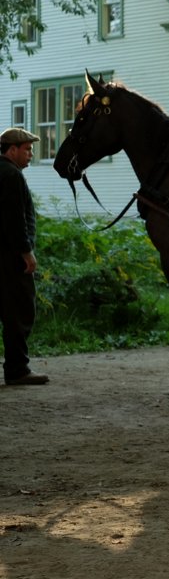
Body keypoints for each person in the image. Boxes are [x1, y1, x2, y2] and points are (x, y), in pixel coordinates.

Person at [1, 128, 48, 386]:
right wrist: (26, 251)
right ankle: (17, 369)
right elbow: (15, 219)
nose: (31, 154)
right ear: (12, 150)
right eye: (27, 149)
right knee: (18, 311)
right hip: (10, 258)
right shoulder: (11, 175)